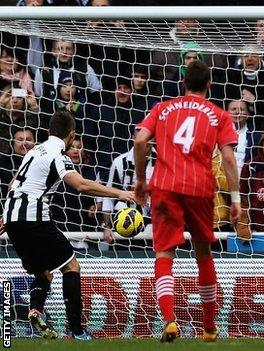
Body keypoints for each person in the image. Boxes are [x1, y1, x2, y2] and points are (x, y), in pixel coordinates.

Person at [0, 110, 134, 340]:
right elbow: (80, 185)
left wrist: (6, 217)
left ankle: (35, 310)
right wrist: (121, 193)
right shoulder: (58, 155)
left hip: (13, 217)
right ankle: (77, 330)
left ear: (49, 131)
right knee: (71, 267)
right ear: (71, 135)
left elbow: (14, 183)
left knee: (44, 273)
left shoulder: (34, 150)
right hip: (34, 217)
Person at [133, 60, 240, 343]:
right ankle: (208, 327)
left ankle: (169, 321)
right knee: (203, 253)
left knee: (164, 254)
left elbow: (140, 140)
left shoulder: (162, 108)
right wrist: (236, 197)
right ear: (209, 85)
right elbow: (228, 157)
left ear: (183, 83)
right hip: (200, 188)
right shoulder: (218, 115)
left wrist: (141, 179)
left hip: (165, 186)